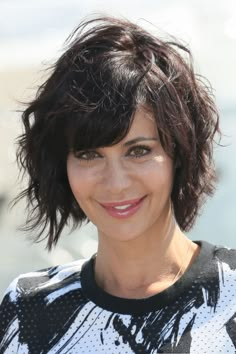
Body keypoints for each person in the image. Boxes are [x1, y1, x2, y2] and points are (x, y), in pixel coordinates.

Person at [0, 15, 235, 354]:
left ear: (179, 154)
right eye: (89, 154)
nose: (116, 182)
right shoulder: (28, 309)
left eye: (138, 151)